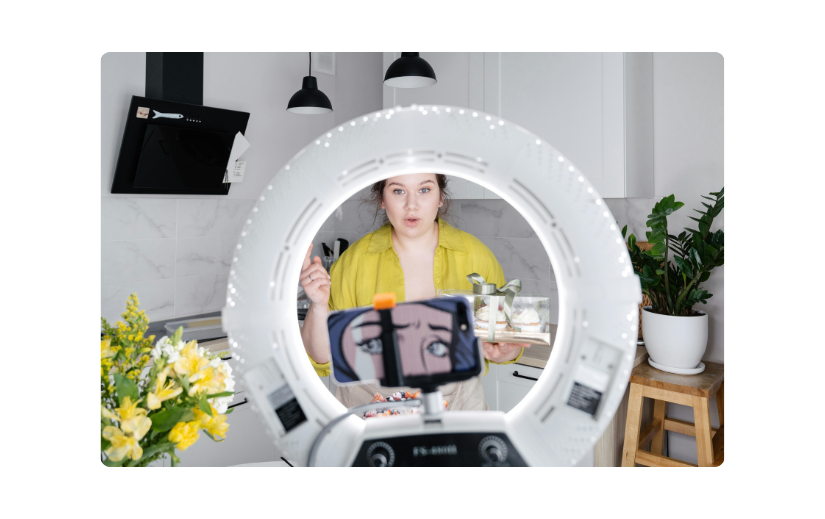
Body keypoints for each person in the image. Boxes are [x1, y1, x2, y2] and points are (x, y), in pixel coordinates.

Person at [300, 172, 528, 411]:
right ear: (382, 198)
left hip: (458, 410)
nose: (412, 205)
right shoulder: (353, 262)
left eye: (424, 190)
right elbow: (322, 358)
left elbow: (502, 346)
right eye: (398, 191)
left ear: (441, 196)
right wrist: (318, 304)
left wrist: (503, 351)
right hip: (371, 411)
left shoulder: (477, 256)